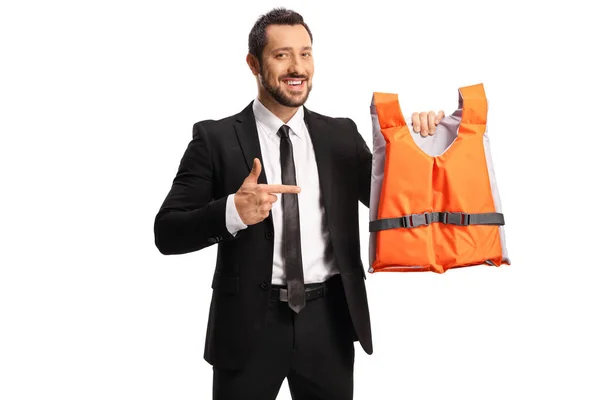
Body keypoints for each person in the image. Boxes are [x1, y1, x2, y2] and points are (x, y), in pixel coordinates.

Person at [154, 7, 443, 400]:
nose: (297, 67)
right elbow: (167, 232)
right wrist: (232, 213)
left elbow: (396, 201)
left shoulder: (341, 135)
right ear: (253, 63)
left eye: (306, 54)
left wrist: (426, 141)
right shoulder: (215, 139)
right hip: (248, 326)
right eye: (282, 54)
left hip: (330, 321)